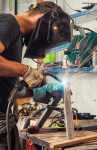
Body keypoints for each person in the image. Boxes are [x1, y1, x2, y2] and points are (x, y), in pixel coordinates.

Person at [0, 1, 73, 150]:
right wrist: (25, 71)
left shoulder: (15, 35)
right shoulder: (9, 25)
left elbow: (5, 86)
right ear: (43, 19)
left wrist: (36, 92)